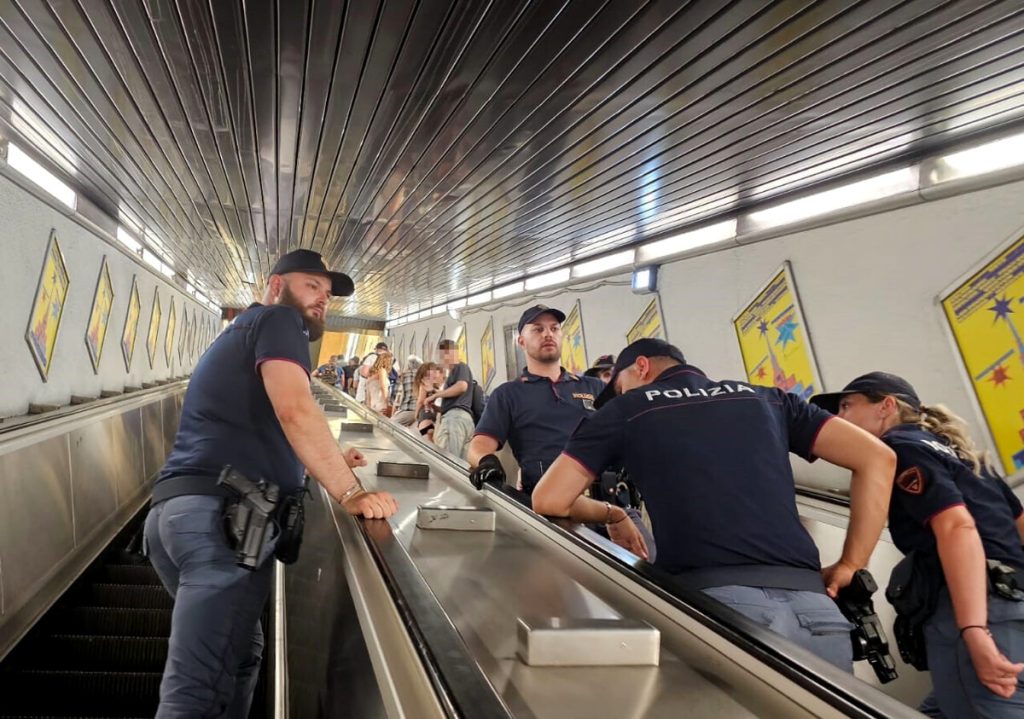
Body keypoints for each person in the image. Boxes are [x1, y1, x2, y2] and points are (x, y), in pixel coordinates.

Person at [532, 338, 896, 670]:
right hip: (818, 613)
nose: (621, 392)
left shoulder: (628, 409)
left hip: (718, 611)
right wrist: (851, 563)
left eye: (620, 385)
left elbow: (548, 499)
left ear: (641, 367)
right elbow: (878, 458)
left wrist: (611, 513)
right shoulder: (768, 398)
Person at [143, 249, 398, 717]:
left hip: (176, 517)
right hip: (222, 526)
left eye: (326, 293)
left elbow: (256, 423)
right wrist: (351, 491)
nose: (321, 300)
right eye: (311, 286)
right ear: (276, 284)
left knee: (242, 655)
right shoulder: (281, 322)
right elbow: (295, 409)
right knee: (195, 694)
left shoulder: (240, 333)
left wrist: (329, 459)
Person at [812, 372, 1024, 715]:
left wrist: (973, 629)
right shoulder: (966, 457)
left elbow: (957, 528)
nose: (839, 418)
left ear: (887, 406)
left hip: (974, 609)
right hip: (1014, 605)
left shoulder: (900, 449)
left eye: (847, 406)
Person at [467, 305, 605, 496]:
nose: (548, 334)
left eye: (554, 328)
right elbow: (480, 444)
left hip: (602, 499)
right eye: (538, 329)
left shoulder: (594, 387)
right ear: (521, 342)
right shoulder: (508, 394)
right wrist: (486, 461)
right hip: (546, 503)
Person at [429, 339, 475, 458]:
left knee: (449, 461)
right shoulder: (454, 373)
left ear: (449, 353)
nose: (441, 360)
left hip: (455, 420)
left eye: (442, 355)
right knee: (460, 465)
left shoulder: (461, 367)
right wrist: (438, 408)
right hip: (459, 419)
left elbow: (462, 387)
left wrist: (437, 395)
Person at [414, 361, 444, 441]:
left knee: (425, 436)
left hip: (426, 413)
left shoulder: (424, 385)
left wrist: (416, 415)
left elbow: (420, 401)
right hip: (439, 413)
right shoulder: (441, 384)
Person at [392, 355, 423, 426]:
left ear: (408, 365)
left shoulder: (403, 376)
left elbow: (397, 398)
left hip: (407, 411)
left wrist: (393, 414)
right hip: (421, 413)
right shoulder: (424, 376)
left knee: (388, 428)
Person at [363, 350, 394, 415]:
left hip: (373, 405)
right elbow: (383, 387)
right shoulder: (382, 371)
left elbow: (368, 392)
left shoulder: (371, 374)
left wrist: (368, 405)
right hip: (381, 404)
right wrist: (387, 403)